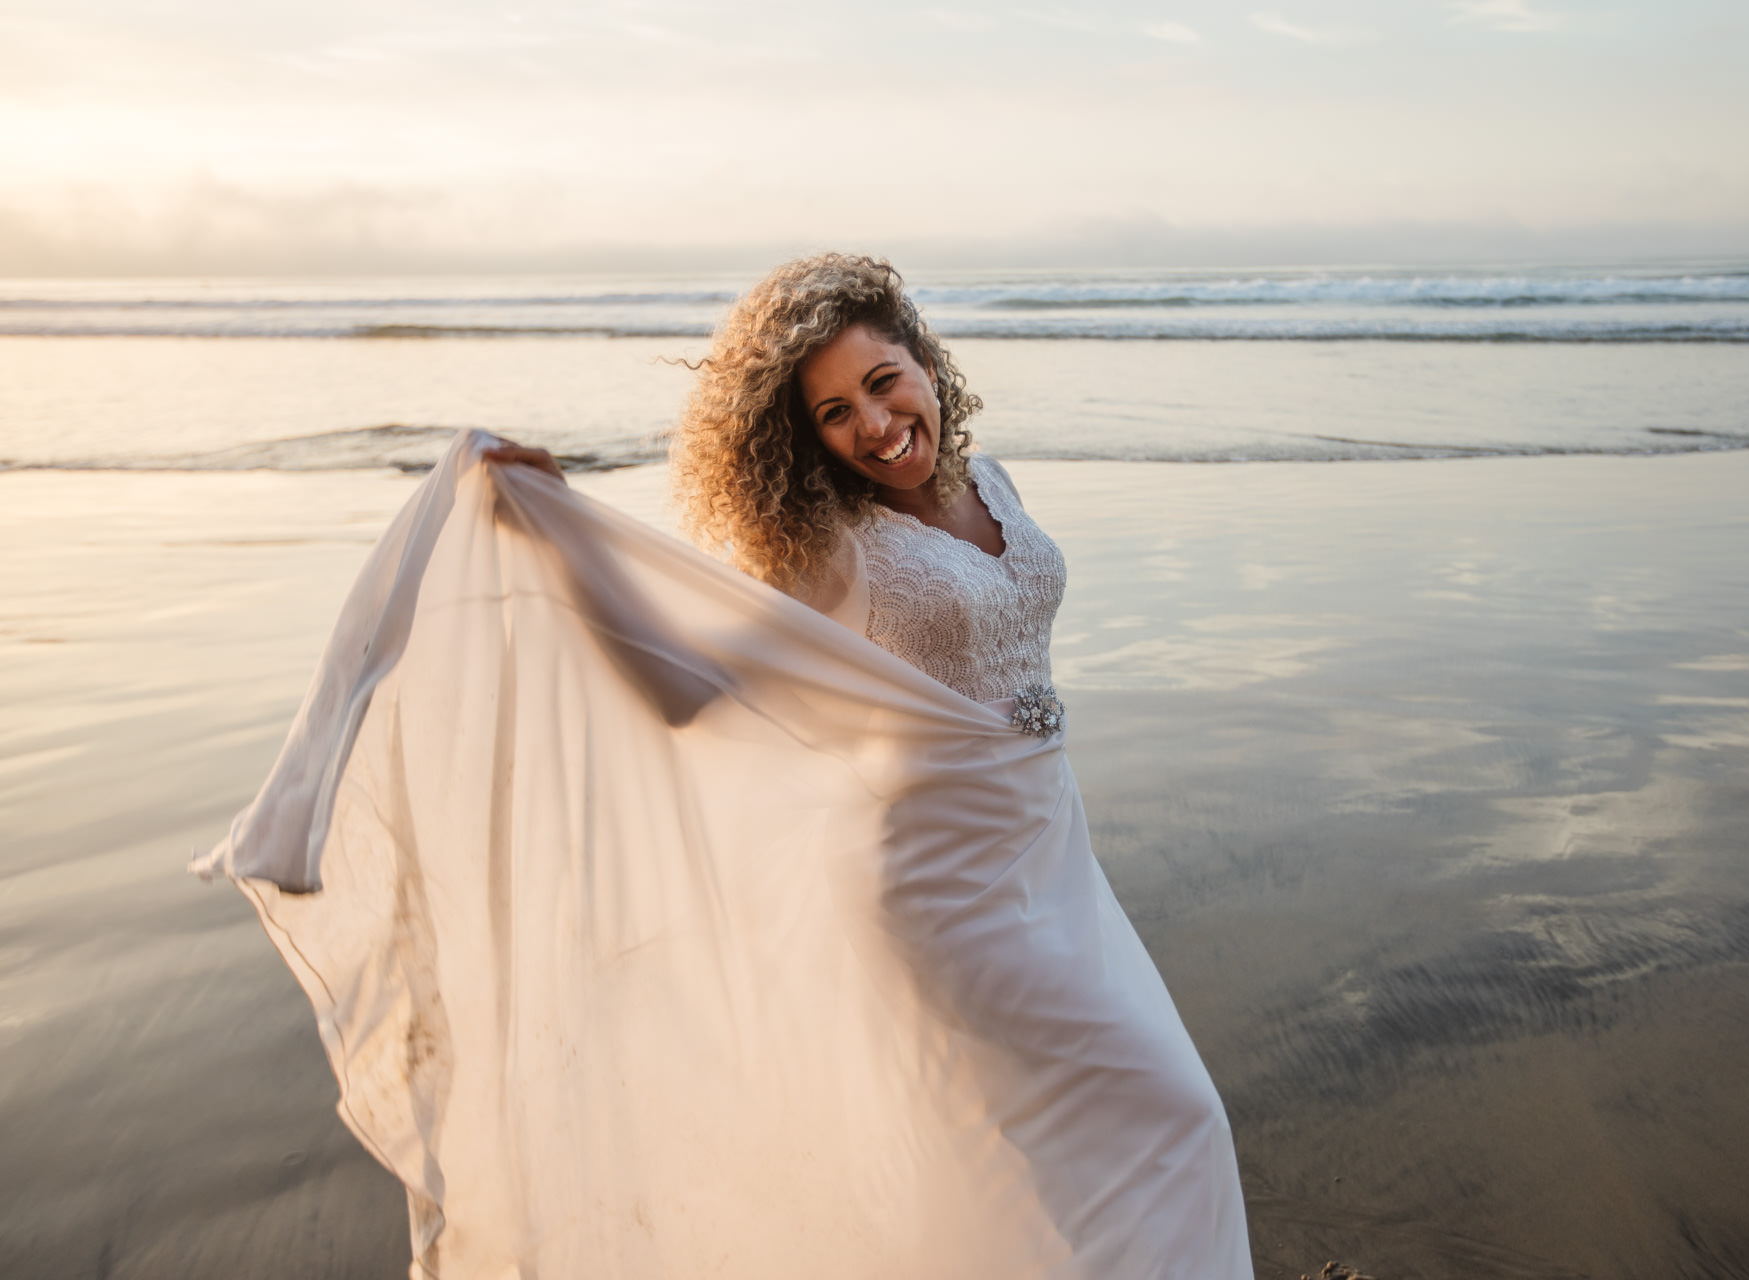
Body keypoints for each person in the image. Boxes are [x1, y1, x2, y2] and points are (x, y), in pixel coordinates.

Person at [200, 253, 1252, 1278]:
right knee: (1173, 1117)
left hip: (1052, 857)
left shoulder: (996, 482)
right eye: (835, 413)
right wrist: (566, 538)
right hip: (942, 893)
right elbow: (681, 690)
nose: (876, 425)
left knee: (1041, 1164)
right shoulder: (835, 545)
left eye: (883, 383)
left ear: (926, 358)